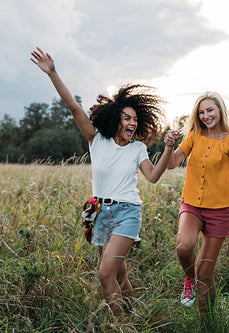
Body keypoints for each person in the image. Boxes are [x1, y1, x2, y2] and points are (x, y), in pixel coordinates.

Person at [31, 47, 179, 316]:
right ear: (115, 119)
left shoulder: (137, 149)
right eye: (127, 117)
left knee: (104, 274)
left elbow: (154, 177)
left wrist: (168, 148)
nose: (132, 122)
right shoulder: (96, 140)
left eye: (135, 119)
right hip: (99, 212)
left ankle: (118, 324)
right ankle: (133, 316)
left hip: (127, 214)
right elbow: (74, 107)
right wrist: (53, 73)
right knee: (119, 275)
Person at [164, 91, 229, 316]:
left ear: (220, 109)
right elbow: (171, 163)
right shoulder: (194, 136)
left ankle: (206, 321)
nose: (205, 116)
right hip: (191, 205)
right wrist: (169, 146)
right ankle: (188, 279)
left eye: (210, 110)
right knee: (184, 246)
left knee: (206, 273)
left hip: (220, 211)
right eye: (201, 112)